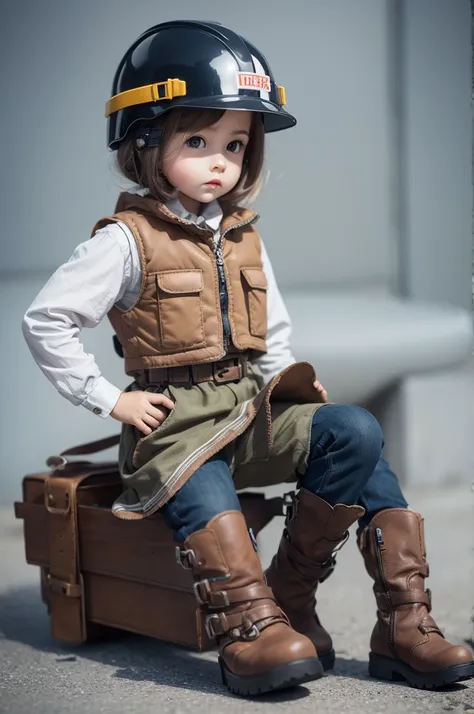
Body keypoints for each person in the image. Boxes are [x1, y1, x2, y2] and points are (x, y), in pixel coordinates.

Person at [22, 19, 473, 697]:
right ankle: (251, 628)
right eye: (196, 140)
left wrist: (288, 383)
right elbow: (45, 319)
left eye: (234, 144)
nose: (219, 161)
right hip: (176, 429)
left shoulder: (243, 237)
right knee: (202, 480)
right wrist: (108, 398)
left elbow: (274, 329)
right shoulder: (124, 242)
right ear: (145, 139)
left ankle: (400, 622)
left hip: (247, 408)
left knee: (353, 432)